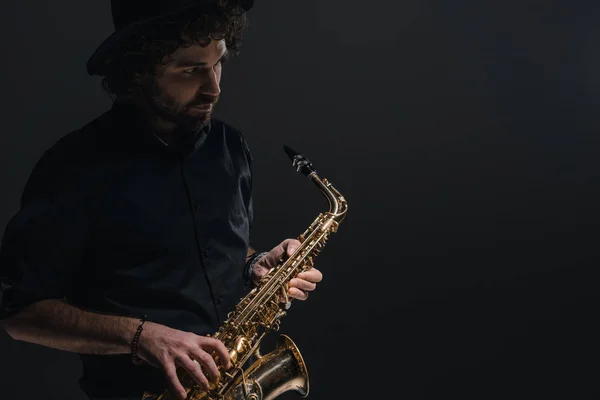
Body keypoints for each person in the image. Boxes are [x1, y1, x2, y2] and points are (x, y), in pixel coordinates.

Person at [0, 1, 324, 399]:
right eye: (191, 70)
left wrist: (256, 264)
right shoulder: (74, 167)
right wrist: (143, 336)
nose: (214, 87)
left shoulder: (231, 148)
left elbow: (208, 251)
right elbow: (21, 314)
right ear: (139, 71)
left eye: (218, 63)